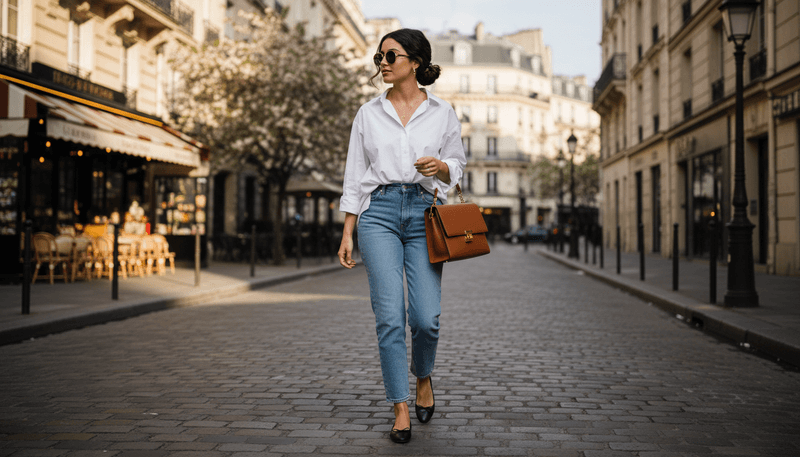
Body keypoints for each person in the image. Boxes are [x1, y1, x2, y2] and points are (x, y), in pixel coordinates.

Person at [338, 28, 467, 444]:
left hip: (425, 213)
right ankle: (399, 406)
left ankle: (423, 375)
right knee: (390, 316)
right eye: (379, 57)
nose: (383, 63)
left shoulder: (442, 112)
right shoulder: (368, 113)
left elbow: (457, 165)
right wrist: (347, 231)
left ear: (415, 62)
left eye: (391, 56)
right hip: (378, 214)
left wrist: (440, 168)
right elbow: (355, 175)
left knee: (426, 318)